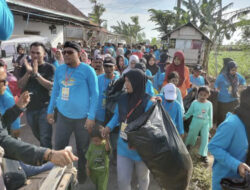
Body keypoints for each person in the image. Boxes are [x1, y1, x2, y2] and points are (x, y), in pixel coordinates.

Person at [47, 41, 99, 183]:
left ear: (79, 54)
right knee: (58, 147)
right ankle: (59, 176)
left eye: (70, 52)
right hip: (63, 116)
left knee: (82, 150)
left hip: (83, 118)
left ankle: (81, 176)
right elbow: (55, 91)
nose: (66, 55)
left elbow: (95, 95)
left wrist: (91, 116)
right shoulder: (60, 69)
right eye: (64, 52)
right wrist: (50, 110)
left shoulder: (88, 70)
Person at [102, 69, 154, 190]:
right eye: (125, 81)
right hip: (123, 147)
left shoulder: (148, 102)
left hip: (141, 150)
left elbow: (151, 128)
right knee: (122, 181)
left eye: (129, 81)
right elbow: (117, 116)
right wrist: (109, 126)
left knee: (142, 178)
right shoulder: (123, 98)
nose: (126, 84)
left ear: (137, 82)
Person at [208, 86, 250, 190]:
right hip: (227, 182)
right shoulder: (232, 124)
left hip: (244, 181)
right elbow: (213, 146)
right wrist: (237, 165)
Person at [18, 42, 54, 148]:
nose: (35, 55)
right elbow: (20, 85)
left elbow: (50, 86)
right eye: (32, 52)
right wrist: (28, 73)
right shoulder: (26, 67)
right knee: (37, 134)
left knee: (45, 136)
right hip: (29, 108)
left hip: (45, 107)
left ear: (44, 54)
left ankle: (47, 160)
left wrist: (36, 74)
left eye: (38, 53)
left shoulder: (49, 68)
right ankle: (47, 151)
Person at [185, 86, 213, 163]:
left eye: (205, 95)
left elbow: (210, 115)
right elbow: (190, 112)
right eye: (201, 94)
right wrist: (185, 117)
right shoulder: (194, 103)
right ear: (198, 94)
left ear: (208, 95)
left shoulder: (209, 104)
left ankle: (203, 155)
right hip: (195, 121)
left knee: (205, 138)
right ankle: (188, 145)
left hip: (205, 123)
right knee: (192, 134)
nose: (202, 97)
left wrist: (210, 125)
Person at [215, 59, 246, 125]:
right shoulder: (222, 76)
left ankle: (233, 126)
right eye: (232, 70)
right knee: (222, 115)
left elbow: (243, 81)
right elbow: (216, 84)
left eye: (235, 70)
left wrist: (242, 85)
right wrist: (216, 89)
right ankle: (221, 127)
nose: (234, 71)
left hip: (234, 98)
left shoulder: (237, 76)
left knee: (235, 113)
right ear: (228, 69)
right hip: (223, 99)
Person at [95, 57, 119, 125]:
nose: (108, 69)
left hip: (113, 118)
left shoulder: (119, 81)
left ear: (115, 67)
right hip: (99, 117)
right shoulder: (98, 79)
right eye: (106, 66)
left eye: (110, 66)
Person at [86, 125, 111, 190]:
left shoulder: (104, 144)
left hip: (102, 172)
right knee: (96, 184)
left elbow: (108, 150)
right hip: (93, 170)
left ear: (102, 139)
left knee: (102, 187)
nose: (95, 142)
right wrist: (87, 167)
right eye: (93, 140)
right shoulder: (91, 145)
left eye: (97, 141)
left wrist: (107, 139)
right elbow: (88, 157)